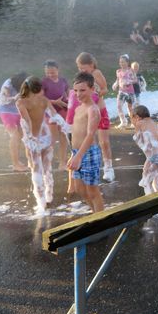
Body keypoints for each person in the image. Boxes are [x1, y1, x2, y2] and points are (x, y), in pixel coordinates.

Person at [17, 77, 70, 214]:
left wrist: (30, 138)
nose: (42, 91)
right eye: (41, 89)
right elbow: (55, 116)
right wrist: (65, 127)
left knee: (37, 169)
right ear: (36, 89)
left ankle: (42, 203)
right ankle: (48, 196)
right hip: (44, 136)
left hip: (35, 139)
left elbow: (27, 121)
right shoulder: (43, 100)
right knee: (46, 168)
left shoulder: (22, 102)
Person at [69, 52, 114, 181]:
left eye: (83, 68)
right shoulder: (81, 77)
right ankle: (82, 165)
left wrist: (96, 94)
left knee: (104, 141)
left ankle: (108, 168)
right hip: (86, 112)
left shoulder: (96, 73)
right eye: (79, 68)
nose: (81, 70)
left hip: (100, 110)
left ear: (92, 65)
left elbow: (105, 89)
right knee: (84, 139)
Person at [67, 72, 104, 213]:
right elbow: (76, 133)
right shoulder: (78, 108)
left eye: (82, 90)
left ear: (92, 89)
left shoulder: (92, 109)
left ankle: (101, 219)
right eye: (75, 90)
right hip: (77, 152)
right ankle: (95, 213)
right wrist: (74, 154)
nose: (78, 94)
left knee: (93, 192)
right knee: (80, 189)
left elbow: (90, 135)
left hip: (88, 153)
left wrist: (78, 156)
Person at [130, 105, 158, 195]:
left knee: (147, 176)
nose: (132, 122)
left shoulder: (139, 123)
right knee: (156, 177)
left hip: (155, 156)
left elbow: (137, 139)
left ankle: (149, 195)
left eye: (131, 118)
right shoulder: (153, 123)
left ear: (137, 117)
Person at [0, 72, 29, 171]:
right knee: (15, 135)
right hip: (6, 111)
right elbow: (3, 98)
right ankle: (15, 164)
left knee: (21, 135)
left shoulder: (26, 85)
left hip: (18, 111)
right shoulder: (8, 84)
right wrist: (14, 98)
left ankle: (21, 161)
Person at [41, 60, 69, 169]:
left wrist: (68, 101)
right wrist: (54, 102)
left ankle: (62, 162)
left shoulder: (63, 80)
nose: (50, 75)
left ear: (58, 70)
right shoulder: (44, 82)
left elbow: (68, 93)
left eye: (52, 72)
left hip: (62, 108)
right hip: (50, 111)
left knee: (63, 135)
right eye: (47, 72)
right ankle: (45, 162)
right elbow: (41, 98)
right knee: (52, 137)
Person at [112, 54, 138, 129]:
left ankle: (133, 122)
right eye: (120, 62)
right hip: (121, 92)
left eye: (123, 62)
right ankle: (123, 121)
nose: (121, 63)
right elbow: (118, 79)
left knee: (130, 108)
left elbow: (135, 80)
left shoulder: (131, 70)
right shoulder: (118, 71)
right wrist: (115, 84)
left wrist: (128, 82)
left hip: (130, 92)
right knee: (119, 106)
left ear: (127, 62)